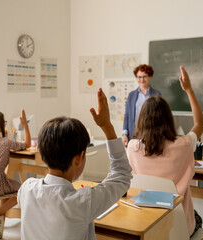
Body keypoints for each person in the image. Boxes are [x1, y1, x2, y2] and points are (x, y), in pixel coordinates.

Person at [17, 88, 132, 240]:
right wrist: (107, 126)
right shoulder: (83, 202)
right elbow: (122, 176)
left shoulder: (26, 189)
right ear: (79, 158)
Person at [127, 66, 203, 237]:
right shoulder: (184, 144)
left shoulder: (132, 147)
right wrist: (189, 90)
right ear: (168, 118)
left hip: (145, 225)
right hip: (179, 228)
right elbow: (200, 123)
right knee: (198, 218)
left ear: (142, 120)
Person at [0, 109, 31, 239]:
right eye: (3, 122)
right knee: (22, 190)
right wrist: (25, 125)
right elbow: (27, 144)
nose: (5, 124)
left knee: (8, 188)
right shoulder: (5, 142)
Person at [122, 64, 161, 147]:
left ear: (150, 77)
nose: (141, 79)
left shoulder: (156, 94)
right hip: (133, 135)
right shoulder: (131, 95)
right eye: (139, 77)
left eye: (144, 76)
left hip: (151, 134)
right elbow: (127, 115)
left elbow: (160, 117)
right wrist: (124, 134)